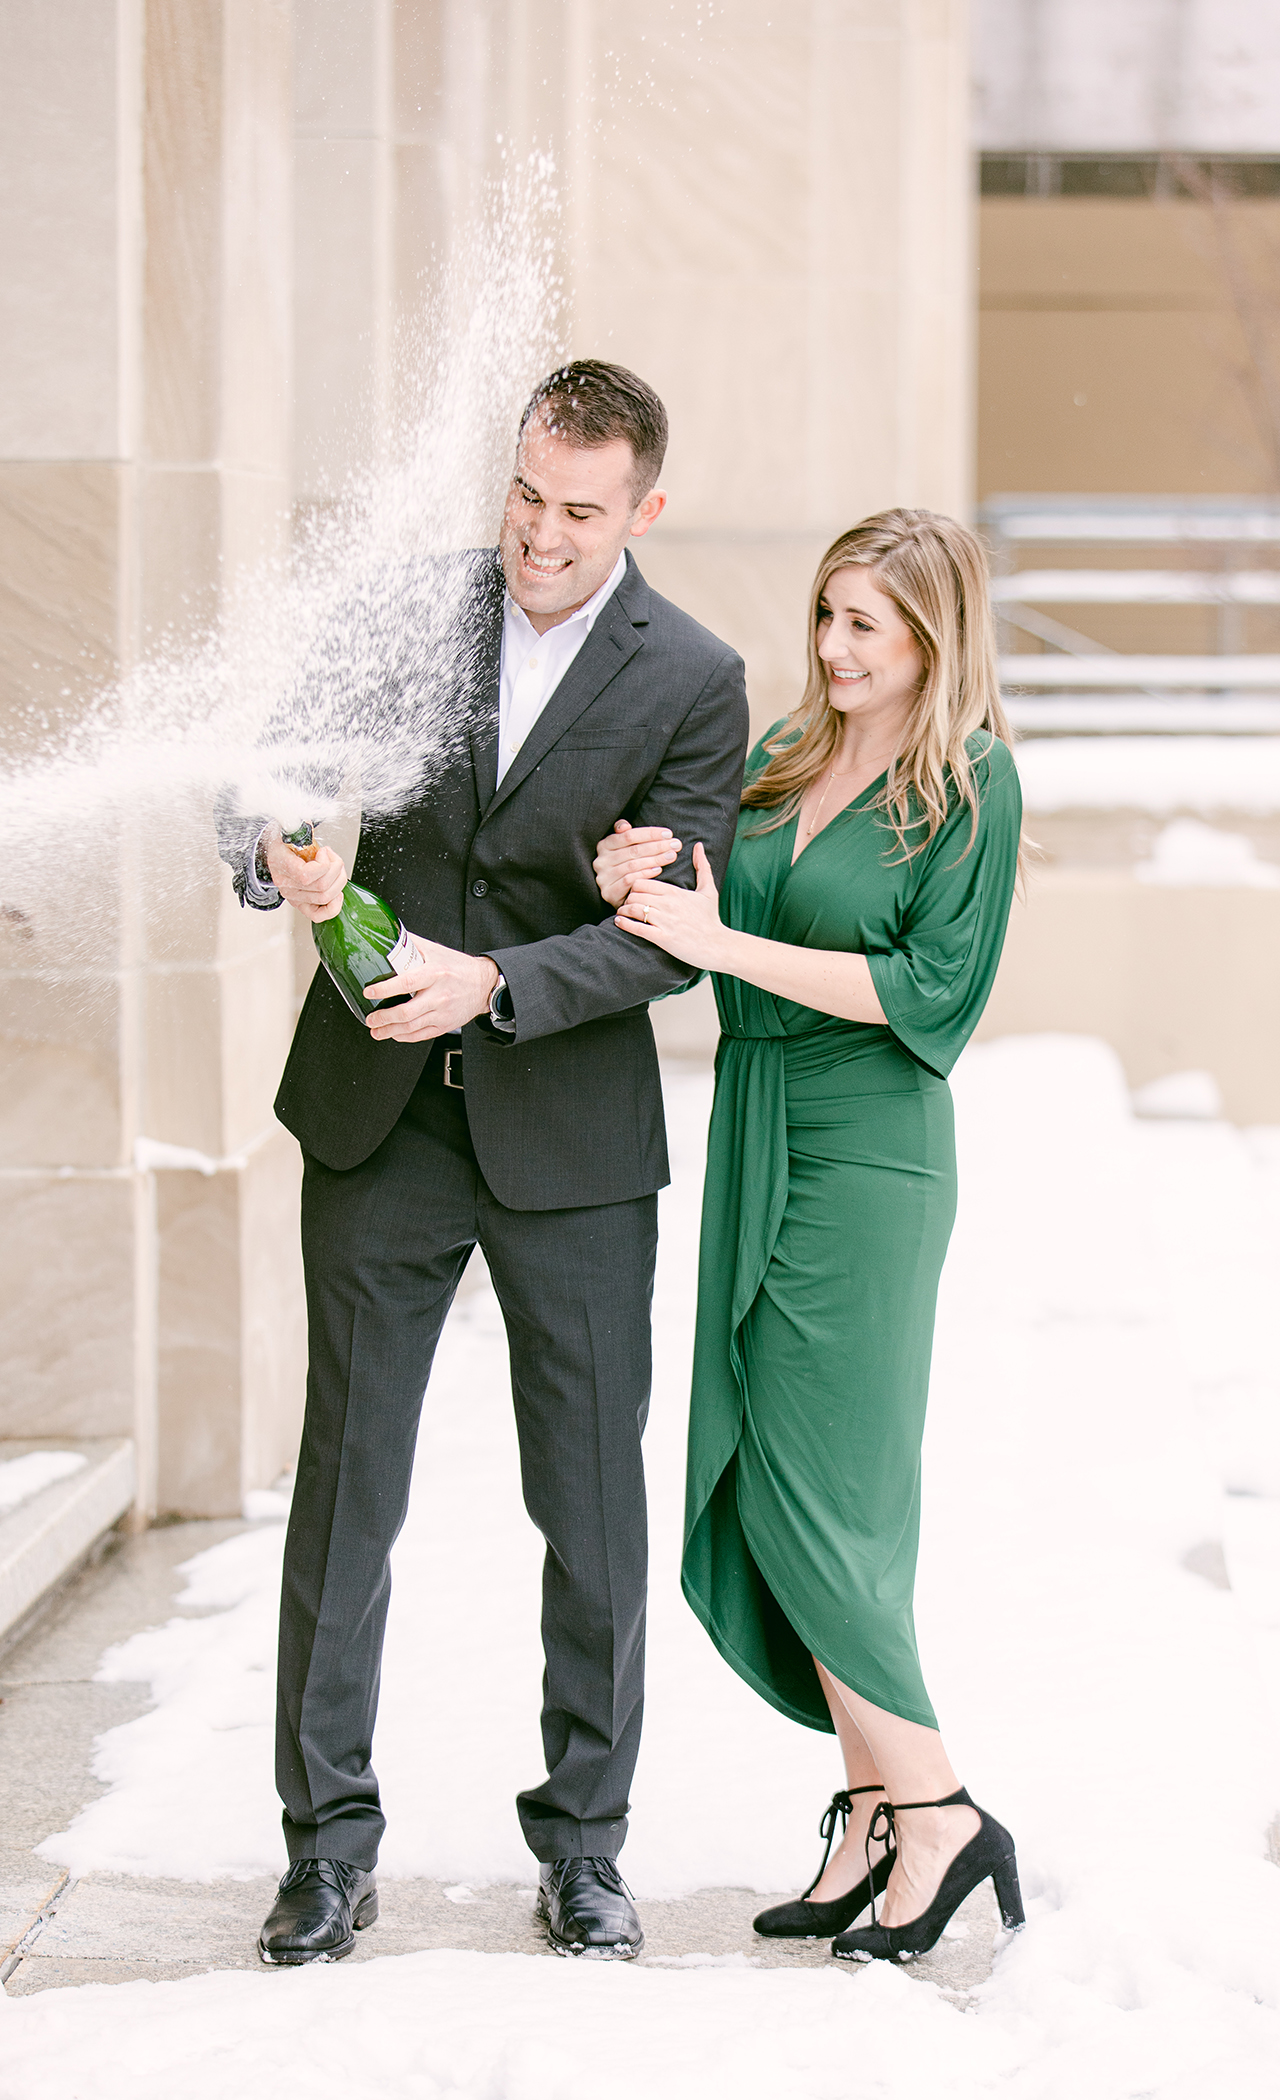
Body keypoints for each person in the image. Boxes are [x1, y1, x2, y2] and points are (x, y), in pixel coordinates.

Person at [218, 361, 748, 1965]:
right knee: (346, 1491)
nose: (539, 534)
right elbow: (270, 785)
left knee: (588, 1509)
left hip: (573, 1141)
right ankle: (325, 1848)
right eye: (525, 496)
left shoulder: (697, 679)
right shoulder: (405, 610)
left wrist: (501, 982)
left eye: (580, 511)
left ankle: (586, 1847)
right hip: (378, 1124)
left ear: (642, 509)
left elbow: (676, 946)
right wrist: (276, 852)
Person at [591, 508, 1027, 1962]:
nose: (835, 648)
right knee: (763, 1472)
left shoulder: (972, 782)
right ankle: (868, 1807)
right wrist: (662, 885)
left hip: (870, 1150)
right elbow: (720, 912)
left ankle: (943, 1808)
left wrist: (725, 951)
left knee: (822, 1493)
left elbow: (929, 994)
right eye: (828, 615)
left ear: (932, 637)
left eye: (869, 626)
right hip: (758, 1124)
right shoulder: (787, 753)